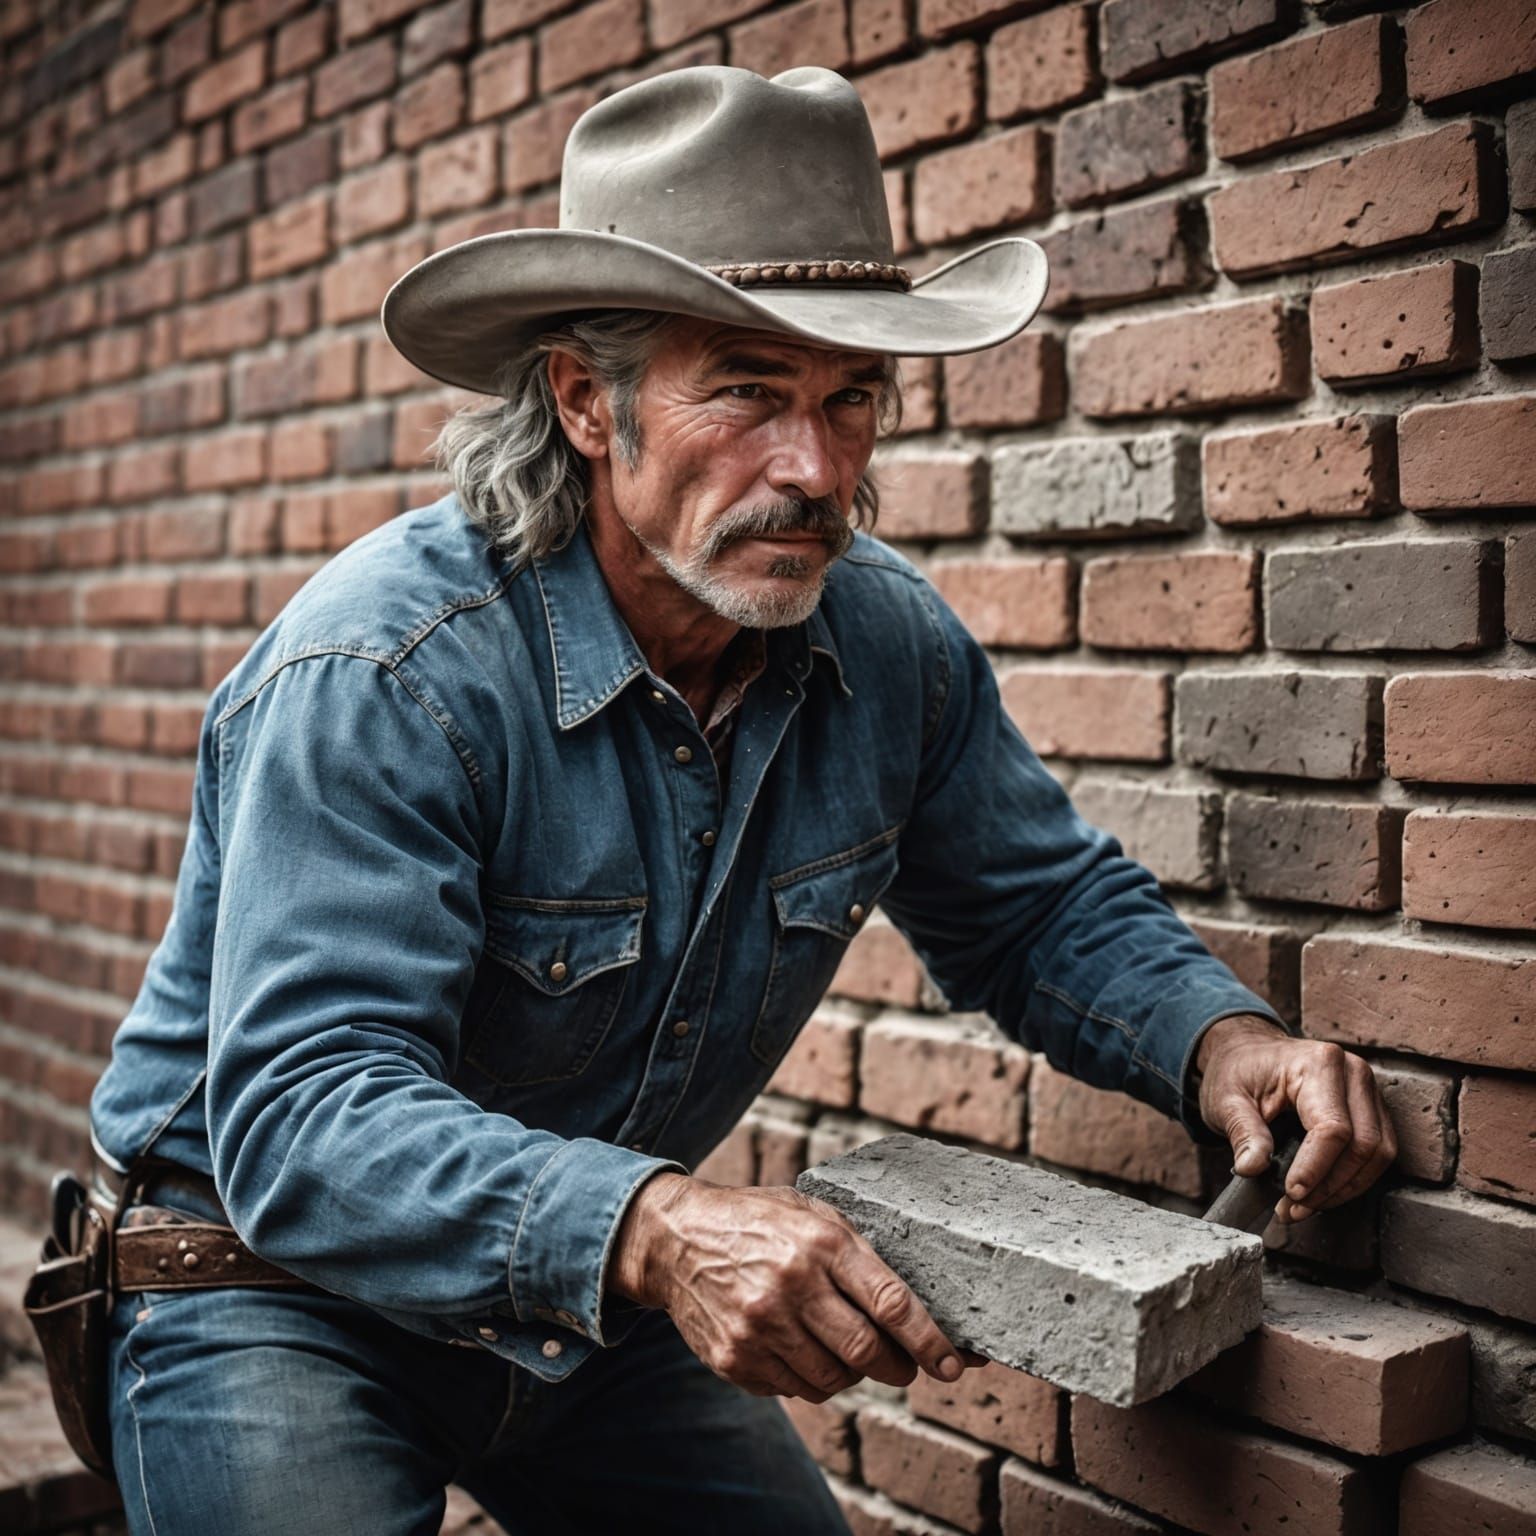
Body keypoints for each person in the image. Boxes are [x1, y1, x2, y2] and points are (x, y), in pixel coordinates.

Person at [85, 64, 1397, 1535]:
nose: (815, 468)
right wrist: (656, 1226)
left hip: (584, 1304)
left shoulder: (887, 647)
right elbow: (305, 1113)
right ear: (590, 403)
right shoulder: (388, 672)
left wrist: (1215, 1040)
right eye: (751, 396)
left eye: (853, 402)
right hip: (263, 1287)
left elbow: (1035, 908)